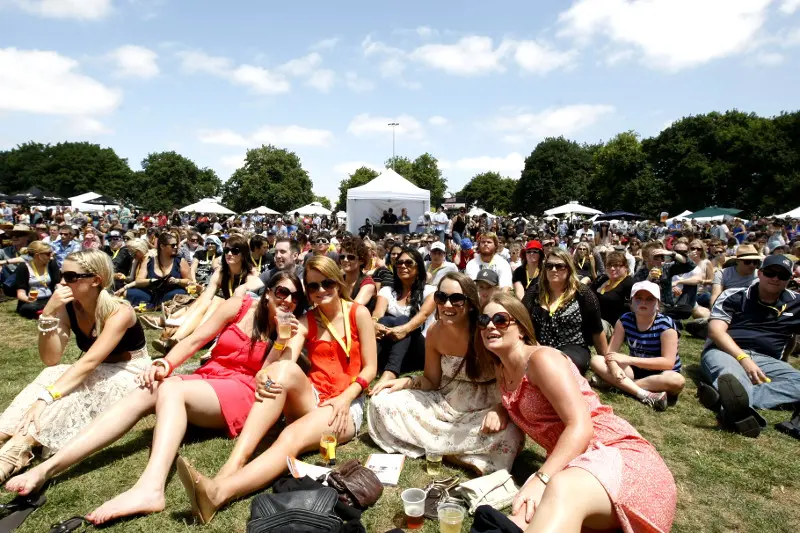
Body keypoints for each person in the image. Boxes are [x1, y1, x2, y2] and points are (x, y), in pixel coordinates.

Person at [4, 272, 308, 522]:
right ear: (268, 293)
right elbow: (197, 339)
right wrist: (166, 363)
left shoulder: (291, 330)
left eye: (296, 298)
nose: (288, 301)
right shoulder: (238, 306)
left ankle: (150, 488)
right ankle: (48, 468)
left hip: (242, 391)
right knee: (146, 390)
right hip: (208, 377)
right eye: (282, 292)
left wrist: (281, 340)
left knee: (171, 387)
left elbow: (267, 376)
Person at [172, 256, 377, 524]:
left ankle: (218, 493)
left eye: (327, 283)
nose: (320, 291)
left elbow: (370, 368)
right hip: (313, 397)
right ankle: (233, 464)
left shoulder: (358, 313)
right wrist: (268, 367)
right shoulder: (307, 320)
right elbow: (286, 361)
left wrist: (345, 398)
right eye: (313, 286)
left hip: (346, 405)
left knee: (290, 436)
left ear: (338, 283)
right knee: (281, 371)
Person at [479, 292, 676, 532]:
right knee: (519, 519)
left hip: (618, 458)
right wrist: (501, 407)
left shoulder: (542, 359)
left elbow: (581, 427)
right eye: (483, 320)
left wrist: (542, 478)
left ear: (520, 328)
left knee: (560, 488)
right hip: (573, 464)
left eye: (500, 320)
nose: (490, 326)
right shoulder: (502, 368)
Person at [0, 250, 149, 483]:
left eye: (70, 277)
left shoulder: (119, 311)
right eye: (61, 275)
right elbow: (51, 358)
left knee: (72, 392)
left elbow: (90, 361)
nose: (61, 282)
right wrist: (48, 314)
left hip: (129, 371)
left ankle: (16, 449)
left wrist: (45, 399)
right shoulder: (69, 306)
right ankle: (4, 431)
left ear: (96, 280)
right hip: (96, 368)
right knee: (51, 373)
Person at [368, 273, 524, 474]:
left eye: (456, 299)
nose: (447, 305)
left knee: (510, 433)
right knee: (381, 401)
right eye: (441, 298)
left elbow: (514, 382)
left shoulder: (486, 331)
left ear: (470, 303)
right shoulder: (435, 332)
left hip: (485, 409)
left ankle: (439, 447)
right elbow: (431, 381)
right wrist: (406, 382)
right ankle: (457, 452)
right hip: (445, 404)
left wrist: (501, 409)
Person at [698, 255, 800, 439]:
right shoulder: (735, 295)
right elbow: (716, 332)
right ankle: (740, 409)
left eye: (782, 275)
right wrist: (743, 359)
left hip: (767, 360)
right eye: (770, 273)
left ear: (789, 279)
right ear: (759, 274)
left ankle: (728, 401)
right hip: (724, 351)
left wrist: (785, 360)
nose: (775, 278)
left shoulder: (797, 303)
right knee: (731, 375)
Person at [151, 235, 261, 354]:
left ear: (243, 254)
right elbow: (207, 298)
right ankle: (176, 339)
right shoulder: (221, 272)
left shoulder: (251, 273)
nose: (229, 254)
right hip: (222, 313)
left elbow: (246, 300)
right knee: (208, 300)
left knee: (217, 301)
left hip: (243, 314)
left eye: (234, 251)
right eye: (226, 250)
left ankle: (188, 338)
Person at [589, 281, 685, 410]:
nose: (643, 302)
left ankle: (619, 385)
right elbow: (611, 353)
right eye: (638, 298)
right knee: (596, 360)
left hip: (662, 373)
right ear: (631, 303)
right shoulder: (625, 320)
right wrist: (614, 367)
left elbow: (668, 363)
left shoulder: (666, 325)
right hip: (636, 370)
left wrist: (629, 359)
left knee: (677, 381)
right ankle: (643, 393)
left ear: (658, 304)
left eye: (650, 299)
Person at [527, 248, 608, 375]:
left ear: (569, 268)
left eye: (559, 266)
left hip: (573, 348)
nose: (554, 270)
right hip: (540, 348)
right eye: (549, 266)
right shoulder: (534, 292)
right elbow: (521, 322)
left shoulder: (583, 293)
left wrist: (606, 363)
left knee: (556, 365)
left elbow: (596, 329)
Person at [371, 247, 436, 387]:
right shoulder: (387, 291)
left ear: (418, 267)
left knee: (403, 320)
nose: (403, 266)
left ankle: (390, 373)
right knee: (384, 320)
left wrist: (404, 329)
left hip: (418, 350)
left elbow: (423, 315)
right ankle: (370, 366)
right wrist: (374, 323)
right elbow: (377, 313)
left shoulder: (430, 291)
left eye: (408, 263)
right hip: (392, 350)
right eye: (399, 263)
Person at [125, 232, 190, 309]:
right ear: (162, 246)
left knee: (179, 293)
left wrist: (177, 281)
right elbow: (139, 281)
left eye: (176, 244)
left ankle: (150, 306)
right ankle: (154, 306)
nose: (176, 247)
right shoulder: (148, 261)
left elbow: (190, 281)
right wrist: (152, 281)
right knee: (130, 292)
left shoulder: (181, 261)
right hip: (152, 294)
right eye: (173, 245)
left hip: (172, 293)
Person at [633, 241, 695, 320]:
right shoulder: (640, 273)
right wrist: (648, 279)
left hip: (667, 306)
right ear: (646, 258)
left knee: (686, 309)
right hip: (650, 306)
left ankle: (665, 317)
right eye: (656, 257)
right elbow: (638, 293)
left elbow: (690, 265)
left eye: (662, 257)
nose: (660, 260)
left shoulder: (666, 268)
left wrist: (671, 253)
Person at [590, 250, 635, 335]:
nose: (612, 269)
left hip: (613, 327)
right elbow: (587, 292)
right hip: (595, 319)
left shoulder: (630, 284)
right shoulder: (603, 279)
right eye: (609, 266)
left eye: (616, 265)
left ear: (625, 267)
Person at [13, 241, 60, 319]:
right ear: (37, 255)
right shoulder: (23, 267)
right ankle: (47, 311)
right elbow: (20, 293)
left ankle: (45, 311)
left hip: (49, 298)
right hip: (32, 301)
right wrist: (28, 299)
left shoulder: (52, 264)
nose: (51, 257)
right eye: (48, 254)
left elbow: (57, 284)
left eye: (51, 253)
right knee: (30, 308)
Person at [339, 236, 377, 311]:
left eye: (351, 257)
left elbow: (353, 308)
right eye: (342, 257)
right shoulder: (339, 280)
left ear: (361, 261)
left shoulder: (368, 283)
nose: (345, 260)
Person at [0, 224, 38, 296]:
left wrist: (4, 262)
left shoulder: (33, 249)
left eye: (18, 235)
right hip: (8, 281)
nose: (14, 237)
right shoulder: (6, 250)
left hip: (27, 282)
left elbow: (26, 258)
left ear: (27, 237)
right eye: (12, 235)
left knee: (22, 266)